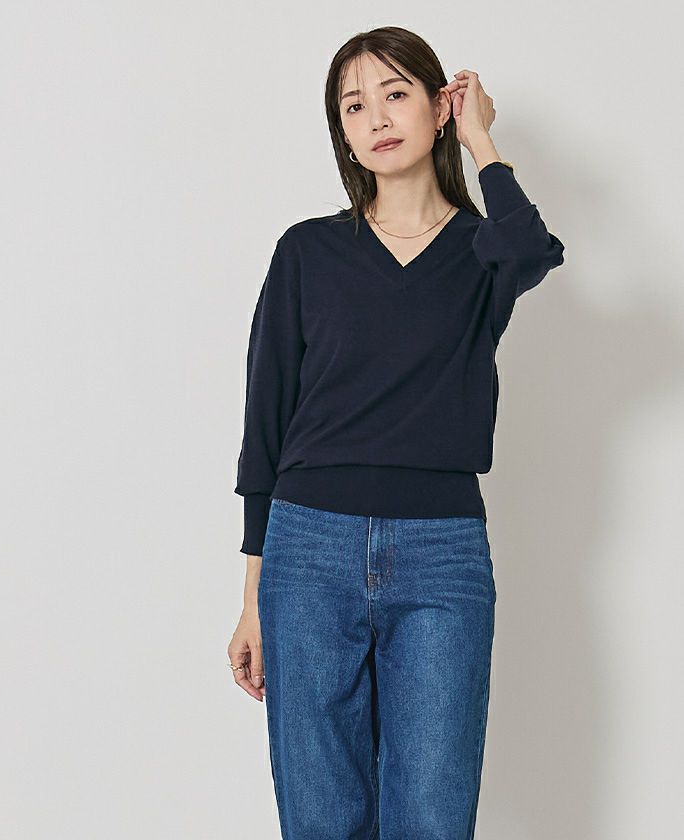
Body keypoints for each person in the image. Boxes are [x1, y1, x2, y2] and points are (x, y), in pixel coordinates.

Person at [228, 25, 565, 840]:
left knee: (433, 820)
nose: (376, 117)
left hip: (441, 554)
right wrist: (251, 598)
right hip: (307, 551)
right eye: (354, 106)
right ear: (341, 133)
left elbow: (534, 249)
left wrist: (483, 141)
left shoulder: (482, 253)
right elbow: (265, 424)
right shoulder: (307, 252)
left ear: (438, 107)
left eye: (396, 93)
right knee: (322, 819)